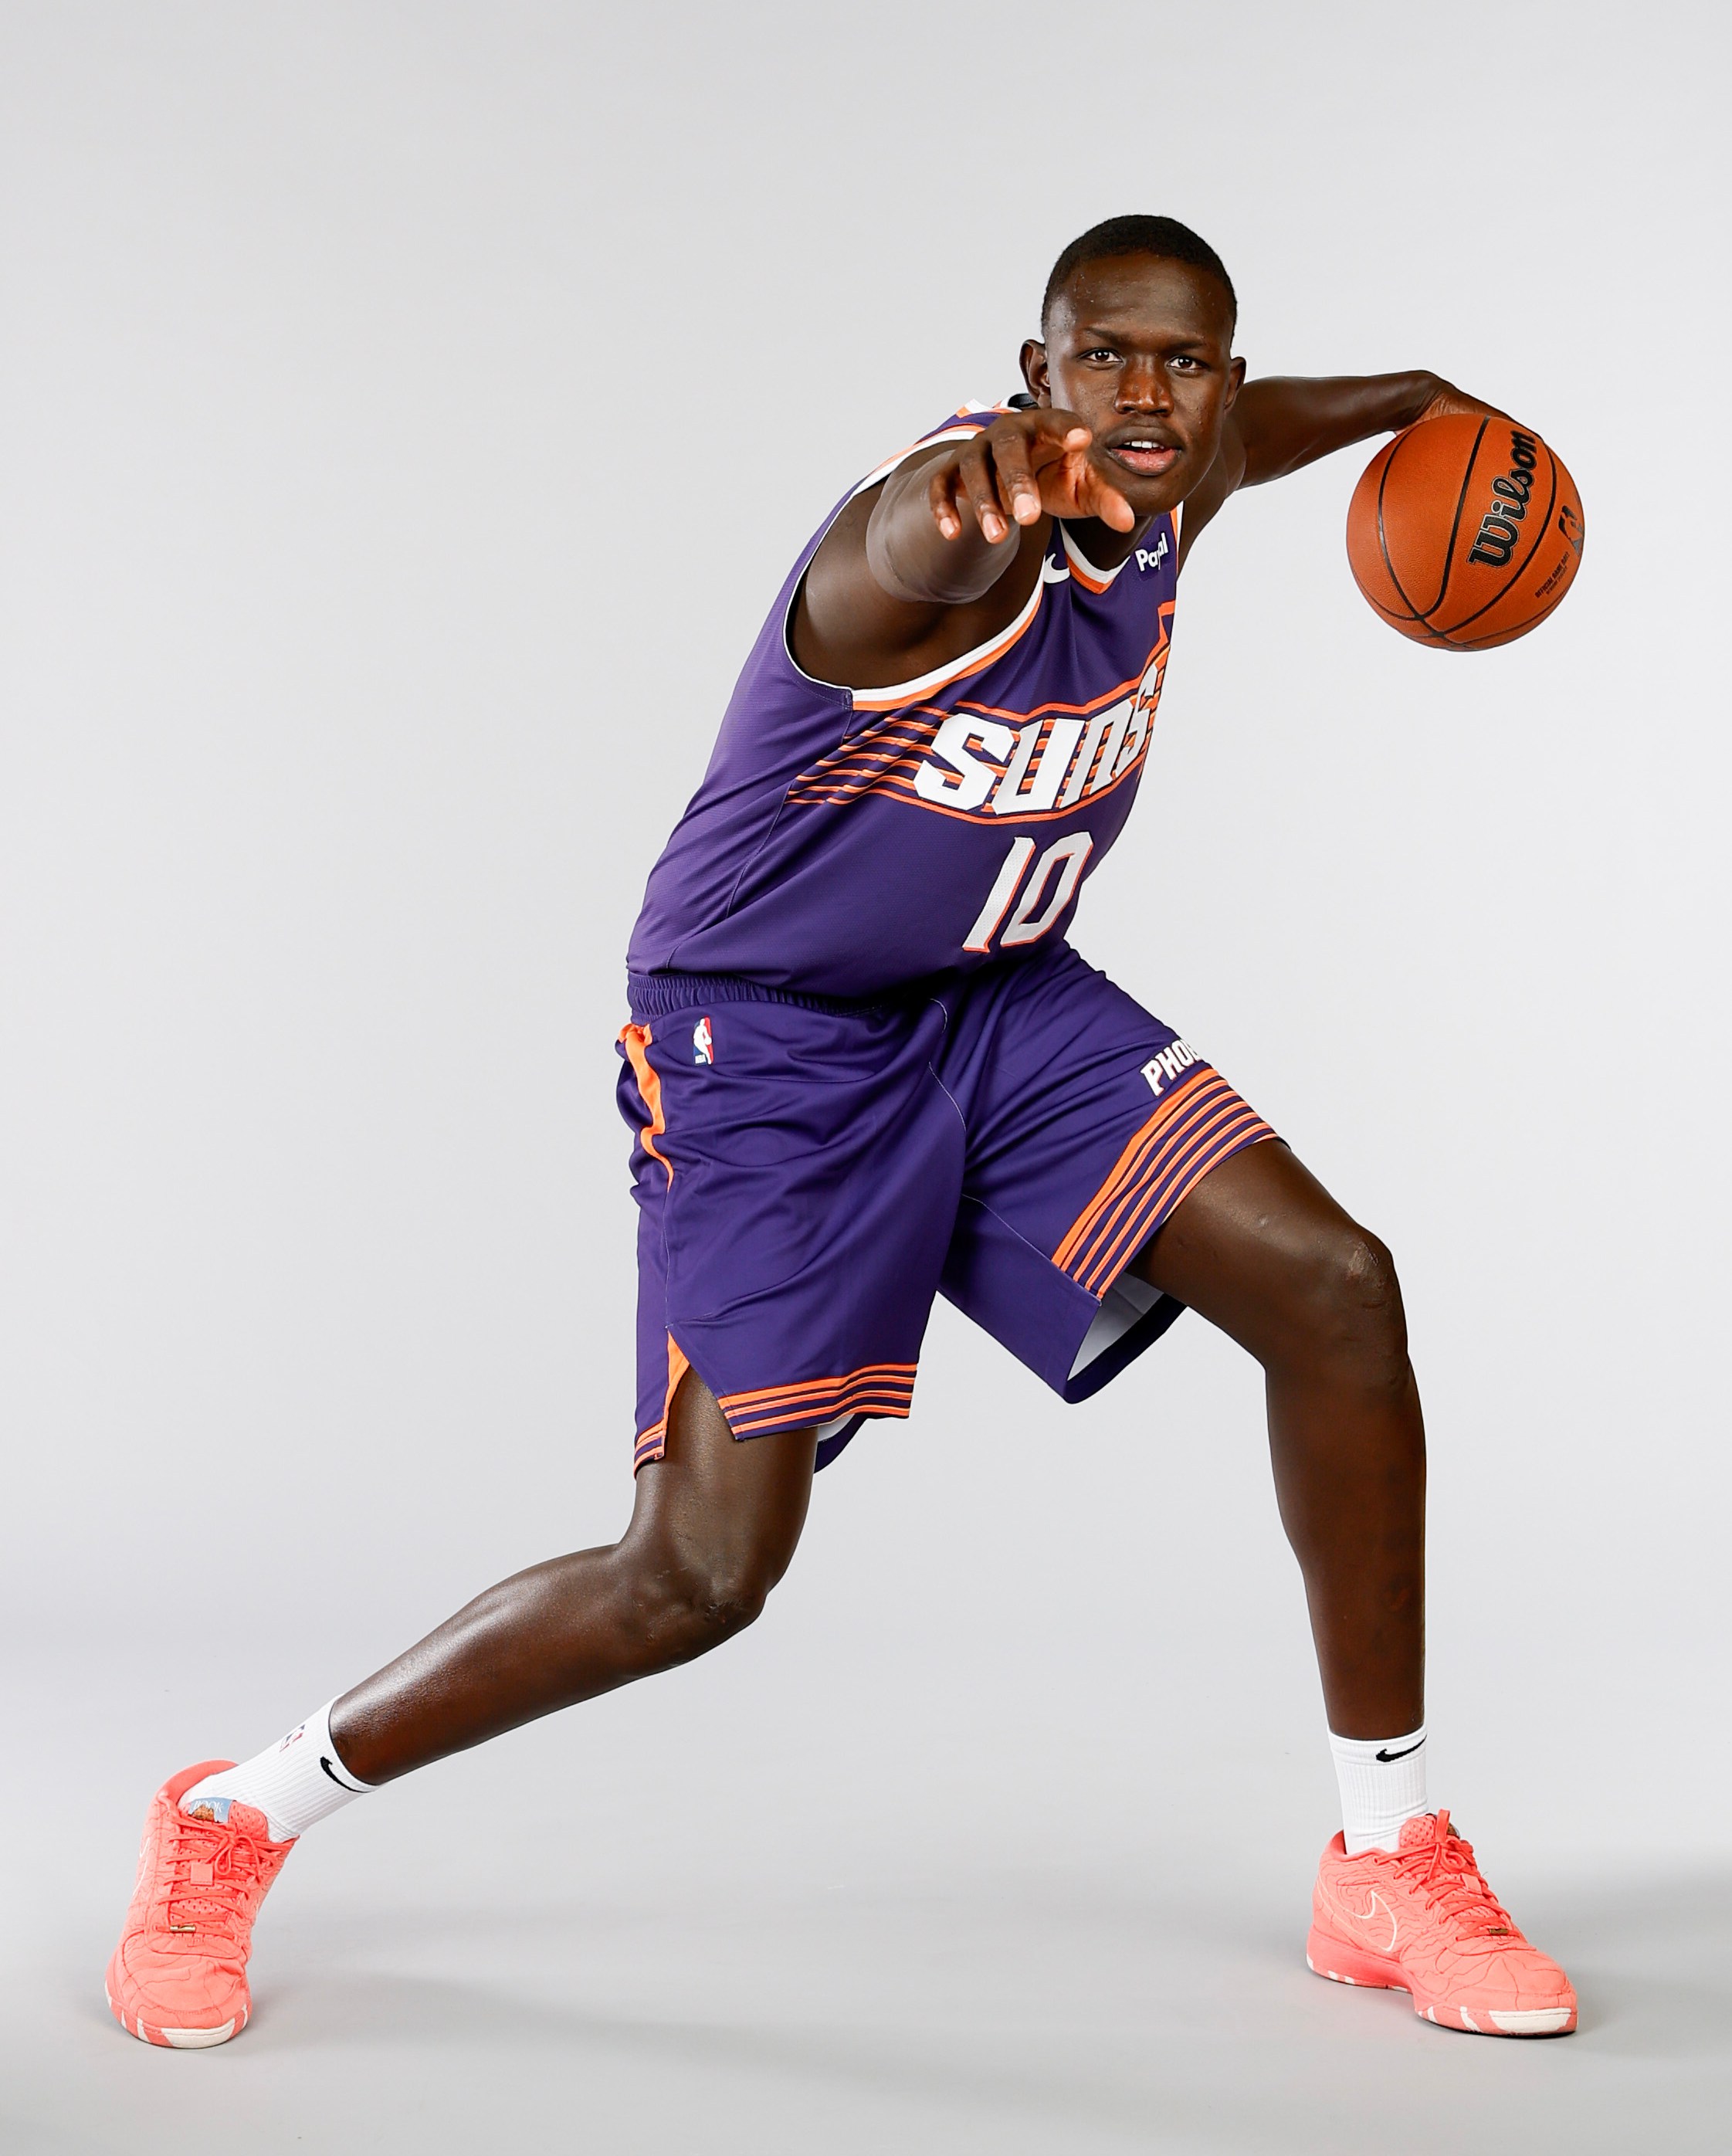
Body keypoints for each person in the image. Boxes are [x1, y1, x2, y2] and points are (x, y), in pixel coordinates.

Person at [107, 214, 1577, 2049]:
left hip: (994, 998)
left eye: (1182, 364)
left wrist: (1406, 404)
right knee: (699, 1575)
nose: (1145, 394)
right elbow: (910, 537)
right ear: (1032, 371)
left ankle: (1390, 1846)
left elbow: (1239, 437)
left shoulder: (1178, 473)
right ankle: (243, 1811)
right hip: (771, 1046)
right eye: (1102, 358)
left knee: (1338, 1291)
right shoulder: (919, 548)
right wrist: (957, 508)